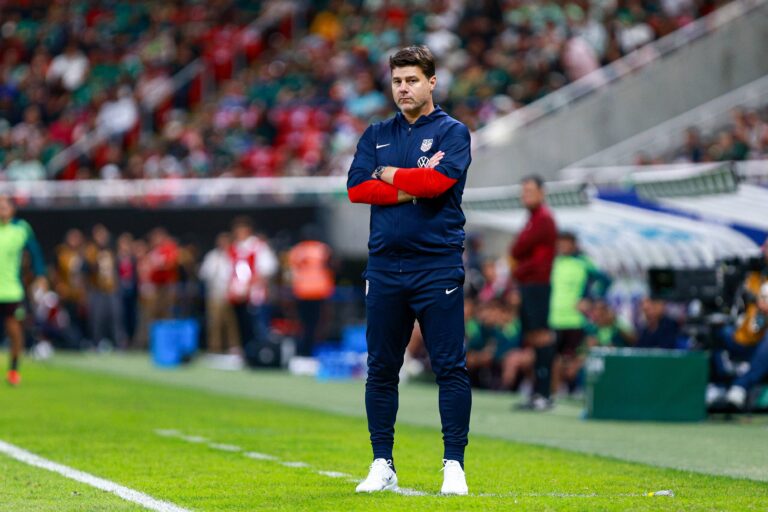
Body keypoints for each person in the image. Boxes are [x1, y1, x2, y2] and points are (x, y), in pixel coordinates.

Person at [347, 46, 472, 495]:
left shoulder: (453, 133)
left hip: (436, 265)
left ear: (432, 82)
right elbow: (357, 190)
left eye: (412, 80)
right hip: (384, 267)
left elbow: (437, 185)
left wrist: (386, 174)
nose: (403, 88)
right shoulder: (376, 132)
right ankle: (382, 462)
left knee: (449, 367)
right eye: (398, 81)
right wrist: (407, 183)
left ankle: (453, 464)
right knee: (381, 369)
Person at [510, 176, 557, 410]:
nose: (524, 195)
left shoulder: (543, 220)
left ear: (541, 192)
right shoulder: (533, 219)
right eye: (523, 191)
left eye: (529, 190)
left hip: (537, 286)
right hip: (531, 285)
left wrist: (519, 269)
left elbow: (521, 251)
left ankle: (544, 394)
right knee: (533, 337)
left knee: (541, 336)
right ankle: (539, 392)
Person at [549, 232, 611, 394]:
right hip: (554, 318)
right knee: (553, 358)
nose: (562, 246)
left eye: (566, 243)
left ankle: (575, 390)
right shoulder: (553, 262)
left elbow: (605, 281)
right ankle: (553, 395)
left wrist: (590, 299)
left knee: (572, 358)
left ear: (574, 245)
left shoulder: (583, 263)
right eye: (560, 243)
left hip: (575, 319)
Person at [0, 194, 46, 385]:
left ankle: (13, 369)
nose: (1, 207)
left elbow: (35, 253)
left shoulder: (21, 229)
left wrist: (41, 276)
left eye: (4, 204)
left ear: (13, 208)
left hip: (10, 290)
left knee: (14, 330)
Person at [287, 232, 335, 358]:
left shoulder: (297, 250)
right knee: (317, 324)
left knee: (302, 324)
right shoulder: (322, 248)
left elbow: (291, 271)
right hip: (319, 290)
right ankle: (312, 352)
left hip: (302, 291)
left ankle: (303, 351)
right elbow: (333, 265)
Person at [199, 232, 240, 354]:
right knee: (214, 322)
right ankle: (215, 348)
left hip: (231, 294)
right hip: (215, 293)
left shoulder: (235, 255)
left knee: (231, 323)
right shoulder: (212, 256)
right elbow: (203, 274)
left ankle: (233, 348)